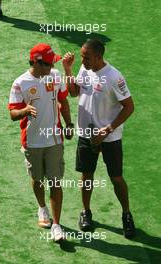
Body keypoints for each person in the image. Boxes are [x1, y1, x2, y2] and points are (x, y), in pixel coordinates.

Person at [62, 39, 136, 239]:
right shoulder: (85, 70)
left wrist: (108, 129)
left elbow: (129, 106)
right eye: (82, 56)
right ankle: (86, 211)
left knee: (116, 177)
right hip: (86, 134)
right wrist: (68, 70)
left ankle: (127, 215)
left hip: (109, 136)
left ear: (98, 56)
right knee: (86, 175)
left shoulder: (114, 77)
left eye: (86, 57)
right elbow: (74, 92)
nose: (82, 59)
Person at [8, 43, 73, 242]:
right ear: (37, 63)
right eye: (49, 63)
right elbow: (12, 113)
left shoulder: (54, 76)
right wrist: (24, 111)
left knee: (55, 182)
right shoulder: (20, 83)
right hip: (32, 142)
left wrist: (69, 123)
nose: (53, 67)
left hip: (54, 139)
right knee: (37, 179)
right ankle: (42, 207)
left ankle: (56, 224)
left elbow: (63, 101)